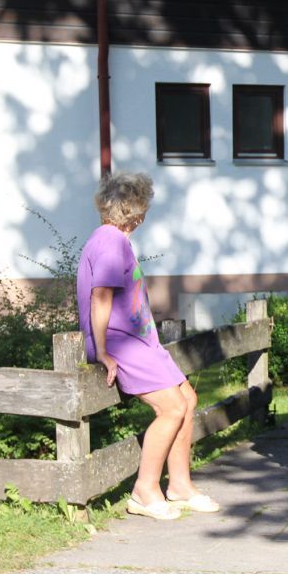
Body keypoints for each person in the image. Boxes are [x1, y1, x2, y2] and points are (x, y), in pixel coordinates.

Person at [77, 172, 219, 520]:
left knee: (188, 398)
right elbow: (101, 296)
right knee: (171, 408)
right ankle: (145, 490)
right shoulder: (110, 241)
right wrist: (103, 351)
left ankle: (180, 486)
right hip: (122, 344)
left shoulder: (112, 239)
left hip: (140, 342)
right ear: (137, 212)